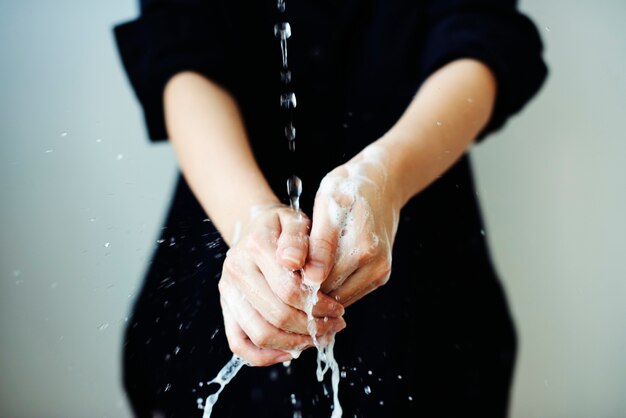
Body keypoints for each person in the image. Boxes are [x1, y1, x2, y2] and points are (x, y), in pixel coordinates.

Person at [113, 0, 547, 416]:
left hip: (420, 261)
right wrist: (248, 218)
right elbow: (179, 48)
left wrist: (387, 179)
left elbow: (479, 36)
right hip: (230, 243)